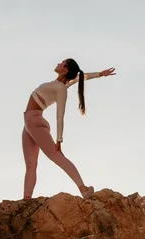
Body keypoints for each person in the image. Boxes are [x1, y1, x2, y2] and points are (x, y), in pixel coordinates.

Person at [22, 58, 116, 200]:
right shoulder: (60, 84)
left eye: (61, 62)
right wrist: (100, 74)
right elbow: (81, 77)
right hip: (29, 124)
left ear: (65, 70)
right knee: (30, 165)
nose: (58, 63)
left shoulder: (61, 89)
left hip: (35, 122)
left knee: (56, 156)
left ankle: (83, 189)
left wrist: (59, 139)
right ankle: (26, 199)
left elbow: (60, 115)